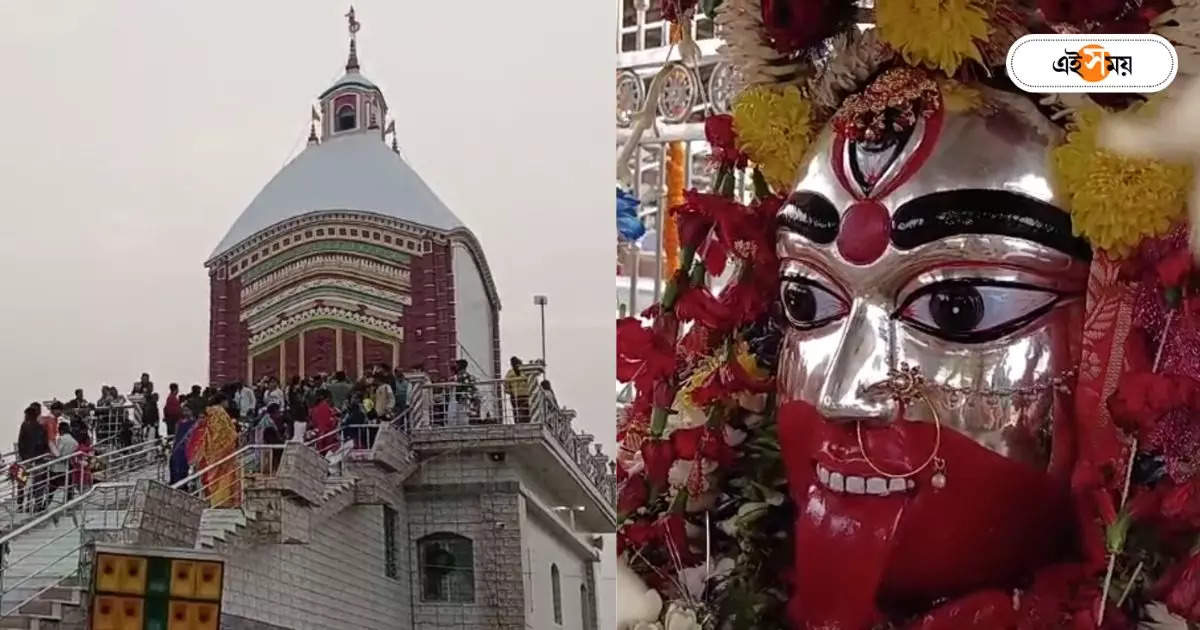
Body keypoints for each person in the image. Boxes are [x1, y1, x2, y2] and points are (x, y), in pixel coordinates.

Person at [185, 393, 241, 508]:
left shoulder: (211, 413)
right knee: (225, 476)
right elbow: (224, 432)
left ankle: (217, 502)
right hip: (223, 450)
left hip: (212, 451)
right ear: (223, 401)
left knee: (214, 477)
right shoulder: (219, 412)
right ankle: (224, 502)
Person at [16, 406, 49, 512]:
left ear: (28, 415)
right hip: (38, 459)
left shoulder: (25, 426)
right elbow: (45, 444)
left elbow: (21, 443)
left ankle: (20, 505)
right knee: (38, 482)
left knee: (21, 482)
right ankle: (37, 504)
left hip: (26, 460)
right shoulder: (41, 428)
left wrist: (24, 458)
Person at [50, 422, 78, 505]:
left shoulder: (61, 439)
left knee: (52, 487)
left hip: (58, 467)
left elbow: (58, 452)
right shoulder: (74, 441)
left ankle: (44, 504)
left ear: (61, 430)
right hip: (68, 466)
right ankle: (68, 503)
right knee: (69, 486)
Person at [170, 405, 196, 486]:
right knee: (175, 467)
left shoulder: (194, 423)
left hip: (187, 448)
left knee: (184, 468)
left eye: (187, 410)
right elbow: (176, 435)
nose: (185, 412)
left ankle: (183, 485)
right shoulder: (179, 423)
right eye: (184, 410)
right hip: (178, 448)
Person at [308, 390, 338, 454]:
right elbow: (328, 423)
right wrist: (335, 420)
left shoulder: (314, 408)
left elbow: (313, 421)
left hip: (320, 435)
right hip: (326, 436)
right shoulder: (325, 407)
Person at [504, 356, 531, 423]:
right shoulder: (510, 373)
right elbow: (506, 385)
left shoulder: (525, 371)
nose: (515, 365)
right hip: (516, 396)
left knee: (526, 413)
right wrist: (510, 392)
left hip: (526, 395)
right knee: (518, 413)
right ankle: (519, 424)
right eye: (513, 363)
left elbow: (530, 380)